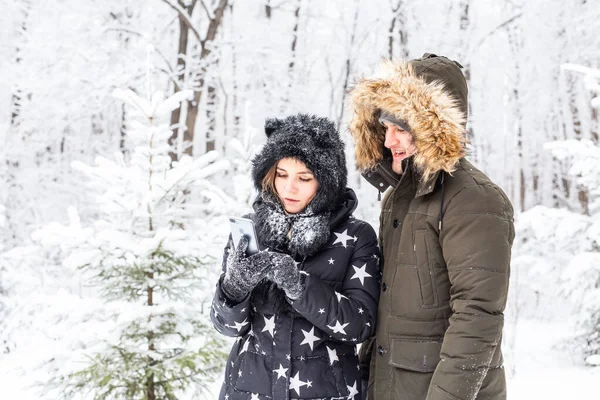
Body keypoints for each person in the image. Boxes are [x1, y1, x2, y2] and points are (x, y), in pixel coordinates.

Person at [348, 53, 515, 400]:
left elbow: (477, 316)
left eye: (401, 129)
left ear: (431, 129)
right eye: (386, 128)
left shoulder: (474, 200)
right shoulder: (400, 197)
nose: (389, 141)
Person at [210, 113, 382, 400]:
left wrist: (299, 287)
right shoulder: (250, 229)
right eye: (281, 174)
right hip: (248, 389)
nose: (290, 188)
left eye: (304, 178)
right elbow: (226, 326)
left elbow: (360, 326)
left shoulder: (356, 237)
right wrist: (233, 289)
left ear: (326, 182)